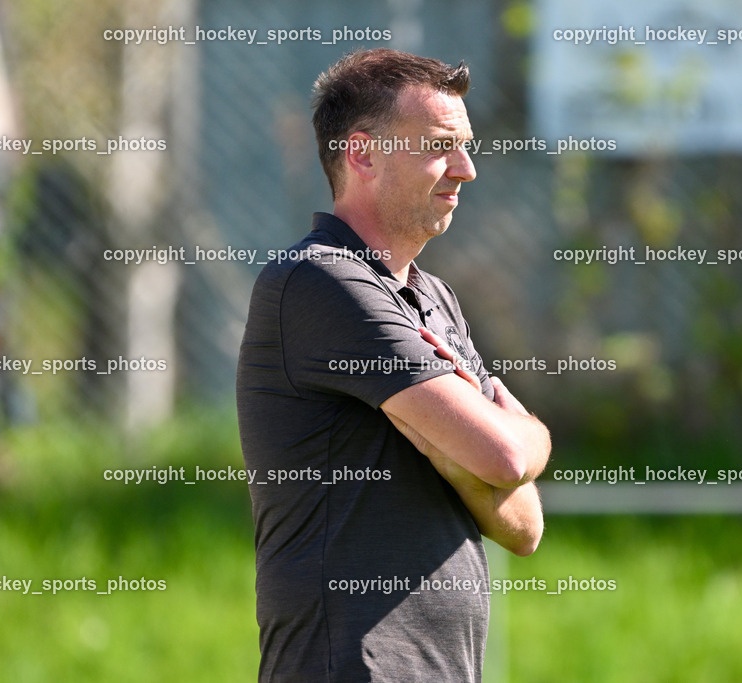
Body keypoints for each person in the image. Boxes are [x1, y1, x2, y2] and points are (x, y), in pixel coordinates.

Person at [236, 47, 551, 682]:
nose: (465, 169)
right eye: (439, 145)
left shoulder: (433, 298)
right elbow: (507, 461)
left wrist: (460, 467)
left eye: (466, 146)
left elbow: (525, 526)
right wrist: (492, 451)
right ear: (363, 154)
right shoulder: (318, 283)